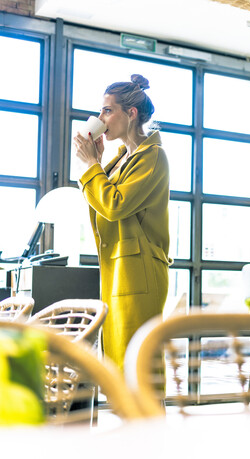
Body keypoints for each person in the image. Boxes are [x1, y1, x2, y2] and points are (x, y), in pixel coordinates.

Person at [74, 74, 171, 370]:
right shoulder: (121, 159)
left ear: (130, 114)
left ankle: (150, 418)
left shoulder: (153, 156)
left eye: (107, 110)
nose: (101, 118)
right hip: (121, 269)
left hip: (138, 272)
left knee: (140, 368)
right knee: (120, 365)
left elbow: (115, 206)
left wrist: (92, 165)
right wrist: (99, 163)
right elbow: (104, 202)